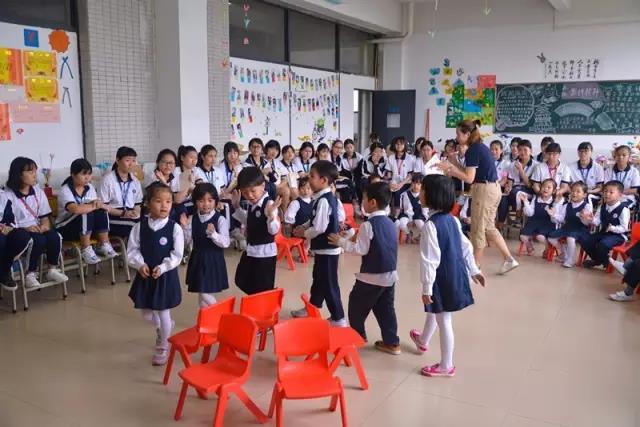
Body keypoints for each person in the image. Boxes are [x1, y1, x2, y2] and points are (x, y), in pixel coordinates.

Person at [409, 174, 484, 377]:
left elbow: (429, 260)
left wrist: (426, 288)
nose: (420, 193)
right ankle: (423, 340)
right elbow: (466, 247)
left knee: (444, 319)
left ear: (432, 195)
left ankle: (446, 365)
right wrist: (474, 270)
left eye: (423, 190)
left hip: (441, 279)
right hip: (455, 274)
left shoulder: (430, 226)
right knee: (436, 310)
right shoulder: (452, 220)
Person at [328, 181, 400, 355]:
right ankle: (392, 343)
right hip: (390, 275)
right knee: (386, 309)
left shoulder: (368, 225)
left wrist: (341, 242)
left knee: (356, 306)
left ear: (372, 202)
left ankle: (357, 336)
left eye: (364, 199)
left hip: (371, 276)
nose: (362, 203)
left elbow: (360, 249)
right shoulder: (391, 223)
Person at [440, 120, 519, 274]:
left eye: (458, 134)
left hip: (484, 190)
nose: (456, 137)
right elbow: (469, 173)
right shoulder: (478, 147)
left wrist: (450, 169)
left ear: (467, 134)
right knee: (488, 227)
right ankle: (509, 259)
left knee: (477, 229)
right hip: (492, 189)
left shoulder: (473, 150)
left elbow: (468, 178)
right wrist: (454, 163)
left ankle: (475, 266)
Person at [127, 182, 184, 366]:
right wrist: (140, 264)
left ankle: (163, 345)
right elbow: (132, 251)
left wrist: (164, 267)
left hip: (164, 276)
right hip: (145, 275)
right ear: (148, 203)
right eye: (158, 201)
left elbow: (177, 254)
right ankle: (164, 327)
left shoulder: (175, 228)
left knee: (163, 311)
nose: (164, 205)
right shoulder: (139, 227)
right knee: (146, 314)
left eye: (168, 201)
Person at [291, 161, 345, 326]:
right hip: (323, 250)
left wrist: (303, 233)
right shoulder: (320, 198)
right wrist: (304, 226)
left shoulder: (324, 200)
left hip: (328, 249)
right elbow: (315, 219)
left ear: (324, 180)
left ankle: (338, 318)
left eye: (312, 176)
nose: (309, 179)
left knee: (329, 284)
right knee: (319, 280)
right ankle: (312, 307)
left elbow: (320, 227)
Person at [4, 157, 68, 288]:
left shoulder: (38, 192)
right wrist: (26, 228)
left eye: (35, 171)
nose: (34, 175)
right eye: (30, 171)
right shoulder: (7, 194)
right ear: (18, 174)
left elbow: (44, 218)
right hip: (19, 231)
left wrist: (44, 226)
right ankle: (30, 274)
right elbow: (7, 224)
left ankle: (52, 269)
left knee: (54, 236)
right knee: (38, 240)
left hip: (37, 228)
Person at [56, 158, 117, 264]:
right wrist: (96, 205)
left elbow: (95, 205)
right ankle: (85, 249)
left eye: (89, 174)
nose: (87, 177)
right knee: (86, 212)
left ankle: (104, 244)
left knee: (101, 211)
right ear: (73, 175)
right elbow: (75, 209)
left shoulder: (89, 187)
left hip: (86, 229)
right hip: (65, 229)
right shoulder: (65, 190)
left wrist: (97, 205)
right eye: (83, 174)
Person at [231, 166, 281, 294]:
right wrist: (236, 206)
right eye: (245, 192)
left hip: (264, 254)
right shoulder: (252, 203)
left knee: (262, 289)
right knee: (241, 280)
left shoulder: (269, 204)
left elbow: (273, 230)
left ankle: (264, 303)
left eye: (253, 191)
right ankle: (257, 301)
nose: (249, 195)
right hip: (252, 250)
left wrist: (271, 217)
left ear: (263, 186)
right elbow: (249, 220)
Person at [184, 183, 230, 308]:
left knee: (204, 292)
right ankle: (205, 317)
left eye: (210, 200)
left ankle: (220, 313)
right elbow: (187, 242)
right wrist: (185, 228)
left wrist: (214, 234)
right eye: (201, 201)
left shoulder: (220, 219)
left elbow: (225, 242)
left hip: (213, 259)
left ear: (215, 201)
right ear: (195, 202)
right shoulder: (192, 219)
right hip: (197, 259)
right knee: (202, 294)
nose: (206, 204)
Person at [580, 180, 629, 269]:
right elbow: (597, 222)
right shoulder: (602, 206)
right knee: (585, 240)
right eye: (605, 191)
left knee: (602, 244)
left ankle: (604, 262)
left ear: (620, 195)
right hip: (604, 233)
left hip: (618, 236)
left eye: (611, 192)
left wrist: (612, 228)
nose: (607, 194)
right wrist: (590, 219)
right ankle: (600, 261)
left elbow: (624, 228)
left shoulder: (624, 209)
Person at [99, 146, 143, 238]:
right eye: (128, 160)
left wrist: (136, 212)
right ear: (117, 160)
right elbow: (103, 207)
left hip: (130, 215)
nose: (131, 164)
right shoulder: (107, 180)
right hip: (112, 217)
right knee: (136, 228)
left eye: (134, 160)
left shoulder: (135, 181)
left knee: (149, 224)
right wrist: (123, 213)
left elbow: (137, 204)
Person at [548, 181, 592, 268]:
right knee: (551, 237)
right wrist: (553, 215)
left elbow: (587, 222)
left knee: (570, 238)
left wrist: (584, 217)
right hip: (567, 228)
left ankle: (570, 259)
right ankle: (564, 253)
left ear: (584, 195)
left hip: (580, 229)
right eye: (573, 191)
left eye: (578, 191)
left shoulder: (587, 206)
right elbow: (561, 218)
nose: (574, 193)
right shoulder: (566, 205)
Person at [0, 190, 31, 289]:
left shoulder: (3, 196)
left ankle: (5, 269)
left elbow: (11, 218)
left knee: (22, 236)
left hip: (4, 230)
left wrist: (9, 227)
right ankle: (3, 273)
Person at [518, 179, 557, 256]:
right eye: (544, 186)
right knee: (522, 236)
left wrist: (552, 214)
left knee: (540, 237)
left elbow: (555, 219)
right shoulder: (535, 199)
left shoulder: (554, 202)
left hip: (547, 224)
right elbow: (530, 213)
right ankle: (529, 246)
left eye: (549, 187)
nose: (545, 189)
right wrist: (525, 202)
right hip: (534, 222)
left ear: (554, 191)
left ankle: (547, 248)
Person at [504, 139, 538, 213]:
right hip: (514, 190)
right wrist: (508, 187)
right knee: (504, 197)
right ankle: (502, 219)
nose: (522, 152)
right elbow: (510, 181)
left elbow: (529, 184)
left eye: (525, 150)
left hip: (528, 191)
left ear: (531, 151)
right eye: (520, 150)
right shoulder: (513, 164)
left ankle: (518, 213)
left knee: (517, 193)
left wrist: (520, 170)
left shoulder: (536, 166)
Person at [388, 136, 414, 217]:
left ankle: (397, 213)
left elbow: (410, 175)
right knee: (387, 190)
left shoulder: (409, 158)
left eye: (401, 144)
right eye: (397, 144)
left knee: (397, 192)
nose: (399, 146)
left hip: (406, 182)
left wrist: (401, 184)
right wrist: (390, 182)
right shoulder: (391, 157)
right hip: (394, 182)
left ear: (405, 145)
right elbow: (389, 172)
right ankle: (388, 212)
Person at [175, 145, 204, 216]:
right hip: (178, 202)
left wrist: (194, 186)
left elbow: (201, 186)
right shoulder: (176, 171)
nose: (194, 161)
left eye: (196, 158)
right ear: (182, 158)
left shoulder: (195, 170)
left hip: (191, 201)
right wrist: (189, 184)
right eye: (191, 157)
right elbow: (178, 199)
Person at [397, 173, 426, 242]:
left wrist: (426, 219)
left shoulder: (424, 195)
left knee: (420, 223)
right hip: (407, 214)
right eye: (414, 183)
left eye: (418, 184)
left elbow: (425, 210)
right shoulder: (405, 194)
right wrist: (410, 220)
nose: (415, 186)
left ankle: (421, 235)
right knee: (401, 223)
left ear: (422, 185)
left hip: (419, 216)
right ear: (411, 183)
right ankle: (408, 233)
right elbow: (406, 208)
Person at [490, 140, 511, 228]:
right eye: (491, 149)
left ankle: (500, 222)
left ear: (501, 150)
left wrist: (495, 186)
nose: (493, 151)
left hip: (499, 187)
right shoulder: (486, 162)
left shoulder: (506, 163)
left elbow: (504, 179)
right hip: (488, 187)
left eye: (496, 149)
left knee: (503, 199)